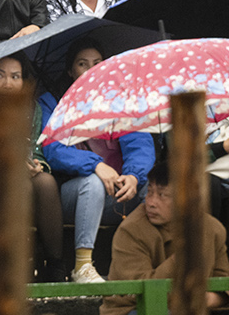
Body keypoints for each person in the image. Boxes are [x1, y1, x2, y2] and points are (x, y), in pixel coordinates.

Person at [38, 40, 154, 284]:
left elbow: (140, 144)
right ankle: (82, 265)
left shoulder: (120, 102)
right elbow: (52, 149)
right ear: (70, 70)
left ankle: (147, 260)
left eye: (97, 63)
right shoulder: (53, 102)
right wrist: (96, 165)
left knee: (151, 188)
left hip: (119, 193)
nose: (90, 69)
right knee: (92, 183)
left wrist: (133, 175)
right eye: (82, 64)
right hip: (73, 195)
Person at [103, 161, 229, 315]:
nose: (151, 202)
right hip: (134, 309)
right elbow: (141, 291)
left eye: (162, 195)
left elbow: (224, 281)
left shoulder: (211, 229)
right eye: (149, 192)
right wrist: (182, 256)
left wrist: (211, 299)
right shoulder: (131, 231)